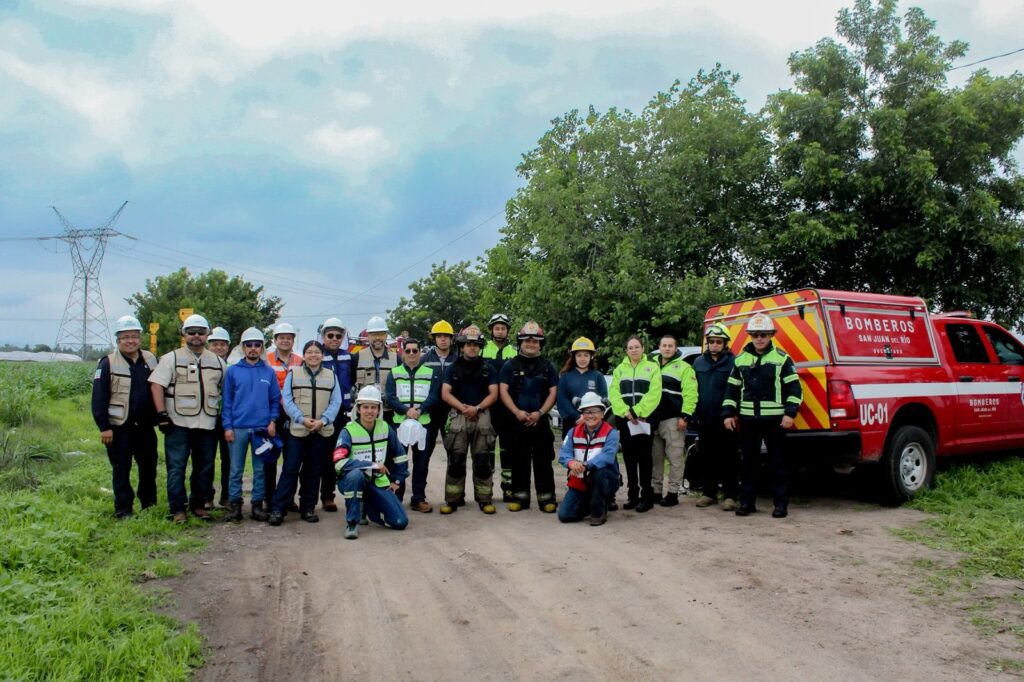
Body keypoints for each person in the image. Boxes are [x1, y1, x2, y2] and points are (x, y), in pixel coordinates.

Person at [723, 313, 803, 519]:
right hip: (748, 421)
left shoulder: (782, 358)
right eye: (755, 334)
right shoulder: (740, 360)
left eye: (763, 334)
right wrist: (728, 413)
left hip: (775, 421)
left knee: (778, 464)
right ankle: (747, 503)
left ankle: (780, 505)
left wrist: (790, 413)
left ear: (771, 335)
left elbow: (795, 389)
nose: (759, 338)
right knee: (748, 464)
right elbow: (732, 389)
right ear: (750, 336)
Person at [150, 313, 225, 523]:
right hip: (178, 423)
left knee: (204, 467)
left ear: (207, 334)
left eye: (201, 332)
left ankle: (198, 505)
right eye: (192, 332)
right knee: (177, 467)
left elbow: (226, 389)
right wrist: (161, 414)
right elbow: (156, 385)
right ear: (184, 334)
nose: (196, 336)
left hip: (207, 423)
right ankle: (177, 509)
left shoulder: (217, 362)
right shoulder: (171, 358)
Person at [91, 315, 158, 519]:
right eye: (125, 337)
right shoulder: (107, 363)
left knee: (149, 467)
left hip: (145, 426)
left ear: (140, 338)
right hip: (119, 427)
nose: (130, 341)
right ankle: (123, 508)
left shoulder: (150, 359)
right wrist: (104, 427)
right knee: (121, 469)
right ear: (118, 340)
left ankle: (149, 504)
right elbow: (99, 397)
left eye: (134, 336)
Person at [270, 340, 342, 525]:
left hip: (321, 431)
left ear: (322, 355)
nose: (313, 355)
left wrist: (323, 420)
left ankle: (308, 507)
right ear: (304, 355)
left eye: (317, 352)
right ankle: (278, 508)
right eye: (309, 352)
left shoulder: (331, 376)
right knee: (290, 468)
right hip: (297, 431)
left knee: (313, 471)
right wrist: (301, 419)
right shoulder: (293, 373)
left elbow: (336, 402)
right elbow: (287, 400)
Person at [333, 386, 409, 539]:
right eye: (365, 407)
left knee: (400, 522)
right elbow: (339, 463)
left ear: (379, 409)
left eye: (373, 407)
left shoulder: (385, 428)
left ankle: (367, 506)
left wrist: (397, 481)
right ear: (358, 409)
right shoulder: (348, 431)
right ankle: (352, 523)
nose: (369, 411)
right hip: (351, 481)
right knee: (355, 475)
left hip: (378, 482)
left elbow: (400, 456)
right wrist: (372, 465)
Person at [221, 327, 281, 522]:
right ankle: (234, 505)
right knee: (235, 469)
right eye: (249, 345)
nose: (253, 348)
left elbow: (274, 400)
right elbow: (227, 401)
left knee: (260, 470)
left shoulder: (268, 372)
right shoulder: (233, 371)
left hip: (261, 429)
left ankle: (257, 505)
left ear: (262, 347)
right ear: (243, 347)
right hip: (238, 427)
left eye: (257, 345)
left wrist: (272, 421)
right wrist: (227, 426)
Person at [498, 321, 559, 513]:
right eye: (527, 340)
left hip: (540, 421)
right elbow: (503, 390)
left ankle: (546, 499)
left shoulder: (548, 366)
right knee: (518, 460)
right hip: (517, 421)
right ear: (520, 343)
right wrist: (517, 412)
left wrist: (540, 413)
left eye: (535, 341)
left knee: (543, 460)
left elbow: (553, 392)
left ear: (540, 344)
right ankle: (520, 498)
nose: (531, 344)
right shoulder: (510, 365)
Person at [440, 324, 499, 514]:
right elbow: (445, 393)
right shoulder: (453, 368)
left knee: (482, 460)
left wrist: (477, 408)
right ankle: (453, 500)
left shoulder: (488, 368)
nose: (472, 347)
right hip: (459, 415)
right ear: (462, 346)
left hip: (482, 415)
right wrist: (463, 408)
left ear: (480, 347)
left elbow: (494, 393)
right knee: (456, 459)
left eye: (475, 344)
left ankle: (484, 500)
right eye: (468, 344)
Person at [385, 337, 441, 513]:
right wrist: (405, 410)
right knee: (398, 462)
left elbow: (434, 395)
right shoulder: (394, 373)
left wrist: (420, 410)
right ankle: (396, 497)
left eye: (415, 350)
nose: (411, 354)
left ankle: (418, 499)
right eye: (408, 350)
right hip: (399, 423)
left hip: (423, 423)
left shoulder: (430, 372)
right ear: (402, 352)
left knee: (421, 462)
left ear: (420, 352)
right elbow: (390, 397)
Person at [608, 335, 662, 513]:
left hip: (644, 419)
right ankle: (633, 495)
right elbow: (614, 394)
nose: (634, 350)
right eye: (630, 347)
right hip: (625, 420)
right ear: (626, 350)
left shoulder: (652, 367)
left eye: (637, 347)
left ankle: (647, 497)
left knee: (645, 458)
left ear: (643, 348)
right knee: (629, 458)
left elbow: (655, 393)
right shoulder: (619, 370)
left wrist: (638, 411)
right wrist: (626, 412)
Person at [694, 324, 740, 511]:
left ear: (725, 344)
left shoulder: (734, 363)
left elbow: (737, 390)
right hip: (705, 419)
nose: (714, 345)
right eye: (711, 341)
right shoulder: (698, 363)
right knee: (707, 457)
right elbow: (693, 390)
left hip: (726, 420)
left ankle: (730, 496)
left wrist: (734, 413)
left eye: (718, 342)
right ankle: (709, 494)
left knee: (729, 458)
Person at [557, 392, 620, 526]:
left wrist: (585, 465)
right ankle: (592, 502)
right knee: (565, 515)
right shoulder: (573, 432)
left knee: (601, 473)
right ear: (582, 414)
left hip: (604, 479)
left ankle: (598, 512)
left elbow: (607, 457)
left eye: (594, 411)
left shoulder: (611, 433)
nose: (590, 415)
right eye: (586, 412)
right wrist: (571, 463)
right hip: (580, 479)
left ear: (602, 413)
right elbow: (564, 453)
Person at [649, 335, 698, 507]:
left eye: (671, 345)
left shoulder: (684, 368)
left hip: (673, 420)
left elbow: (691, 393)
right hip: (653, 420)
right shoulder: (650, 365)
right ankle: (656, 492)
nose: (667, 348)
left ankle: (672, 493)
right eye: (664, 345)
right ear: (659, 347)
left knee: (675, 459)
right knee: (655, 459)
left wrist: (685, 416)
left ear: (676, 348)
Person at [264, 322, 303, 509]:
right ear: (275, 340)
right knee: (270, 459)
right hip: (271, 414)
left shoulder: (300, 361)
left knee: (291, 459)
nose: (285, 340)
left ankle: (288, 498)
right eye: (281, 337)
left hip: (293, 415)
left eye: (289, 337)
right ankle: (269, 498)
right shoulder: (266, 359)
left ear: (293, 340)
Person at [317, 317, 354, 512]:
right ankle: (311, 497)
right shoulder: (316, 355)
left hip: (342, 414)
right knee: (318, 456)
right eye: (330, 335)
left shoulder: (349, 358)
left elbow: (352, 381)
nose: (334, 339)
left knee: (337, 455)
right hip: (321, 414)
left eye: (338, 336)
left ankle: (329, 496)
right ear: (323, 336)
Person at [481, 313, 516, 501]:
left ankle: (508, 487)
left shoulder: (515, 351)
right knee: (486, 450)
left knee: (508, 450)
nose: (500, 331)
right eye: (497, 328)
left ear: (507, 331)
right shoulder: (481, 349)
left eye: (503, 328)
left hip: (508, 409)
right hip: (488, 408)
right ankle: (486, 489)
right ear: (491, 330)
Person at [420, 320, 458, 476]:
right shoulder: (424, 360)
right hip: (429, 413)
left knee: (454, 455)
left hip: (451, 414)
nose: (443, 339)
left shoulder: (458, 360)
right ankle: (419, 490)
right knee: (423, 455)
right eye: (439, 336)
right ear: (434, 338)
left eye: (446, 336)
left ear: (451, 338)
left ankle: (454, 490)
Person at [556, 337, 608, 438]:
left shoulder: (598, 376)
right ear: (574, 357)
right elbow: (562, 400)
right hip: (571, 424)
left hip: (593, 424)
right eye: (579, 355)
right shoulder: (565, 376)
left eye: (586, 355)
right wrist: (577, 417)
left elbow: (603, 399)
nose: (582, 359)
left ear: (591, 356)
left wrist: (589, 416)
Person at [352, 315, 397, 423]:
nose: (377, 338)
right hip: (365, 413)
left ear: (386, 335)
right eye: (373, 334)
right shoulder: (357, 357)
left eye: (381, 334)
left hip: (389, 412)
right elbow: (351, 383)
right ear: (368, 335)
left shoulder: (396, 359)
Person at [206, 326, 232, 507]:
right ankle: (207, 496)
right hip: (207, 417)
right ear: (209, 345)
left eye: (222, 344)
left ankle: (227, 496)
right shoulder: (203, 366)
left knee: (228, 459)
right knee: (207, 458)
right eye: (215, 344)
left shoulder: (233, 368)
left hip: (227, 419)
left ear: (228, 346)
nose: (219, 348)